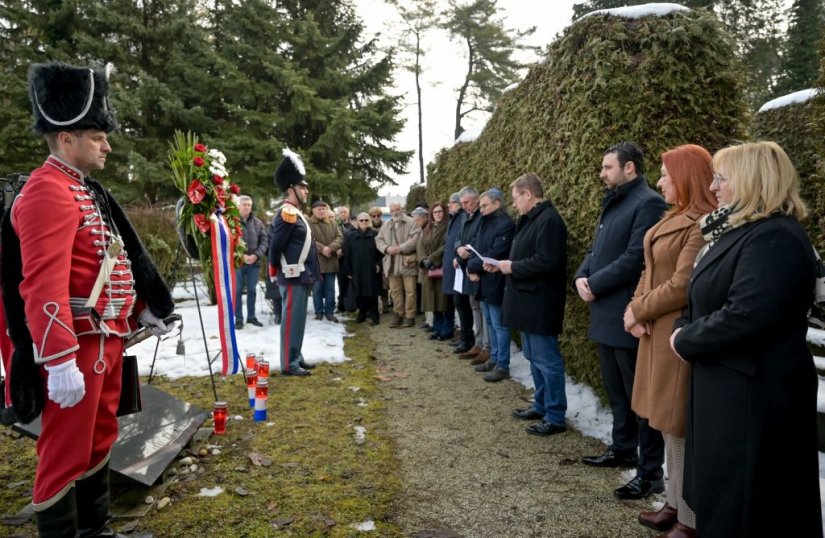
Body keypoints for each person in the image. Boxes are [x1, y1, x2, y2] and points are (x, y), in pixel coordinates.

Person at [0, 62, 174, 536]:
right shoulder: (46, 192)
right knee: (63, 453)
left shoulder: (82, 190)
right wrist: (58, 360)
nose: (107, 145)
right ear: (66, 137)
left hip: (105, 339)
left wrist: (140, 309)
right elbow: (41, 284)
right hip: (75, 348)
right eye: (97, 135)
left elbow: (107, 260)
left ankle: (95, 531)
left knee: (99, 439)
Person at [670, 141, 822, 538]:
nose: (714, 187)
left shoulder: (776, 238)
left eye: (722, 178)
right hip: (728, 390)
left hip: (754, 398)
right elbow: (701, 295)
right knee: (723, 503)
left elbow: (747, 314)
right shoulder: (739, 231)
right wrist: (683, 325)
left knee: (749, 510)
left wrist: (685, 339)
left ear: (754, 182)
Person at [622, 145, 717, 537]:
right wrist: (635, 310)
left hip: (673, 334)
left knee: (677, 424)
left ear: (686, 177)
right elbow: (649, 270)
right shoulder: (672, 218)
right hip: (653, 332)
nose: (660, 181)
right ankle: (674, 502)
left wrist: (639, 310)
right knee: (663, 422)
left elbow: (682, 284)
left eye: (665, 174)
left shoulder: (701, 223)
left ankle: (689, 518)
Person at [575, 141, 667, 499]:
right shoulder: (614, 201)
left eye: (607, 167)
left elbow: (635, 258)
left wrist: (594, 283)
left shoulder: (648, 202)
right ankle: (622, 447)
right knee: (616, 391)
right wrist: (582, 276)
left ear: (630, 168)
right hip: (603, 310)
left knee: (638, 398)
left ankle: (650, 473)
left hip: (625, 313)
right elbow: (596, 250)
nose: (602, 174)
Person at [494, 173, 569, 435]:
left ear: (528, 194)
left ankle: (556, 415)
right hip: (527, 301)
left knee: (547, 360)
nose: (514, 204)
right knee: (534, 358)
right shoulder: (530, 220)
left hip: (540, 302)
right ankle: (541, 405)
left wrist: (512, 267)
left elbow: (548, 261)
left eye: (516, 198)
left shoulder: (548, 220)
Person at [268, 148, 319, 376]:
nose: (306, 191)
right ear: (291, 189)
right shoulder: (286, 213)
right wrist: (273, 267)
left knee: (298, 318)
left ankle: (295, 356)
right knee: (291, 319)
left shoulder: (295, 212)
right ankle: (288, 363)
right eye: (302, 187)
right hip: (292, 273)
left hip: (301, 273)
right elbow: (276, 246)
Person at [466, 189, 514, 382]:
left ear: (497, 204)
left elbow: (496, 252)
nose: (481, 209)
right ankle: (494, 359)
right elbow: (476, 248)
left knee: (499, 325)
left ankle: (502, 364)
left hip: (497, 281)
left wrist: (472, 266)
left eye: (485, 205)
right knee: (491, 323)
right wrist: (473, 266)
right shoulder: (484, 223)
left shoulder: (506, 225)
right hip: (484, 280)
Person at [452, 187, 487, 359]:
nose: (464, 206)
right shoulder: (465, 216)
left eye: (467, 202)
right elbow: (458, 237)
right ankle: (478, 342)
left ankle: (484, 345)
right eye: (462, 203)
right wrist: (458, 248)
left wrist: (467, 249)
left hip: (475, 265)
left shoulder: (482, 216)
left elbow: (480, 238)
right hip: (465, 265)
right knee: (473, 305)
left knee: (480, 307)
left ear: (477, 199)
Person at [375, 202, 420, 328]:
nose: (395, 212)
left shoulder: (411, 222)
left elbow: (416, 239)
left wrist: (400, 248)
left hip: (407, 262)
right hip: (391, 263)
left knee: (410, 291)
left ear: (402, 209)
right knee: (395, 291)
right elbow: (378, 239)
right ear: (390, 212)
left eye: (397, 209)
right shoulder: (387, 225)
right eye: (392, 210)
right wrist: (386, 248)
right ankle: (398, 314)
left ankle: (410, 316)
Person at [343, 213, 383, 325]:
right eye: (361, 220)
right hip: (356, 268)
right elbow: (347, 253)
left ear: (369, 221)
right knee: (359, 293)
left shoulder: (376, 234)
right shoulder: (351, 235)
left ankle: (375, 315)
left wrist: (378, 264)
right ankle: (362, 314)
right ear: (357, 222)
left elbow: (381, 252)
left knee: (372, 292)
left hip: (371, 268)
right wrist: (348, 270)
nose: (364, 222)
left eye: (366, 220)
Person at [416, 202, 448, 340]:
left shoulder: (448, 226)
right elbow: (420, 246)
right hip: (428, 270)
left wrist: (432, 259)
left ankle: (446, 330)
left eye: (440, 211)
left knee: (444, 302)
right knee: (432, 302)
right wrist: (423, 260)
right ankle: (437, 327)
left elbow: (445, 246)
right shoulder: (427, 228)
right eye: (435, 212)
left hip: (441, 268)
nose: (438, 214)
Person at [234, 194, 268, 328]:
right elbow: (229, 242)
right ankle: (238, 319)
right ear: (239, 206)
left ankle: (251, 317)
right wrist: (240, 256)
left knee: (252, 290)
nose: (247, 207)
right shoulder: (232, 221)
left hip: (254, 263)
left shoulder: (258, 223)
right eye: (244, 204)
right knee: (237, 291)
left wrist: (256, 255)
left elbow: (264, 241)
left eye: (249, 205)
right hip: (238, 263)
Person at [308, 200, 343, 322]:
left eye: (324, 209)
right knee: (317, 289)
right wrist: (323, 249)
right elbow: (308, 240)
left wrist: (331, 248)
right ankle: (318, 312)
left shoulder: (332, 222)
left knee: (330, 288)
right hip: (316, 261)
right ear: (313, 210)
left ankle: (329, 312)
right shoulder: (308, 223)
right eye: (319, 209)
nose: (322, 211)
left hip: (330, 261)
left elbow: (339, 237)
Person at [439, 192, 462, 341]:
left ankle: (465, 337)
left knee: (461, 304)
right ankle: (462, 336)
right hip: (450, 265)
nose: (449, 205)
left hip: (458, 266)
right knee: (454, 302)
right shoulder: (453, 219)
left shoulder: (461, 218)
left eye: (452, 202)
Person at [335, 206, 354, 314]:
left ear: (348, 213)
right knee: (341, 283)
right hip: (340, 260)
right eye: (341, 212)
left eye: (345, 212)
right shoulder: (335, 226)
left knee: (352, 283)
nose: (343, 214)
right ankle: (341, 305)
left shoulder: (353, 226)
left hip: (351, 258)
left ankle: (352, 304)